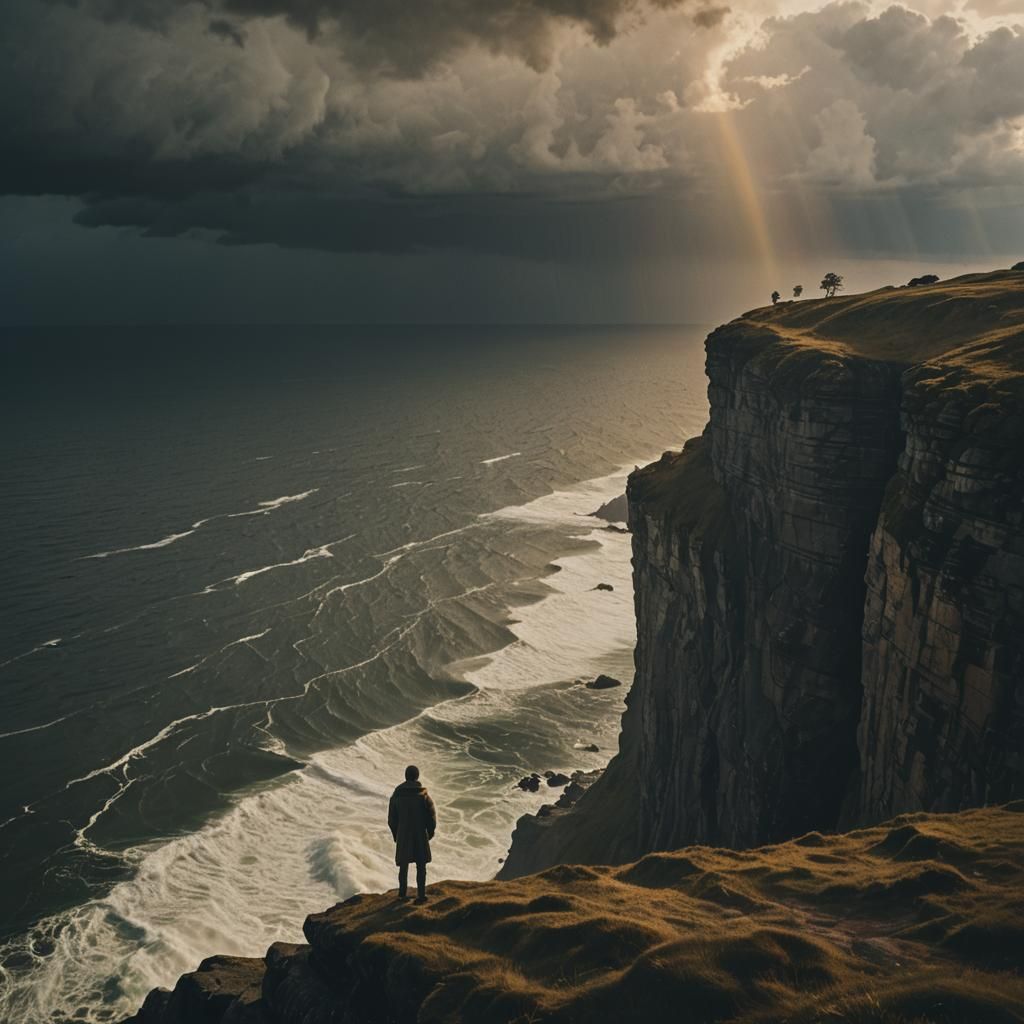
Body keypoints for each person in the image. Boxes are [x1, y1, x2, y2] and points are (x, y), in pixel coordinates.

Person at [388, 764, 436, 902]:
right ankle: (421, 895)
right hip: (420, 833)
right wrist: (430, 832)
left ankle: (402, 894)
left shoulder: (396, 795)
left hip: (403, 833)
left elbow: (391, 819)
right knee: (421, 865)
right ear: (417, 777)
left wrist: (396, 834)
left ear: (405, 776)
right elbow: (431, 816)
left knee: (403, 866)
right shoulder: (423, 795)